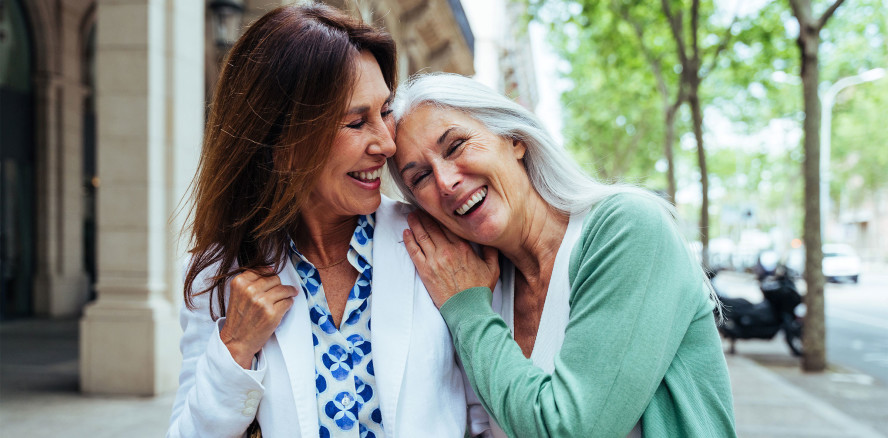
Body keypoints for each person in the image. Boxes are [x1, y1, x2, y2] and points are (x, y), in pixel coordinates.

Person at [167, 6, 486, 438]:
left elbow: (485, 416)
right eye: (356, 122)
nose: (388, 144)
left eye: (385, 111)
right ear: (282, 144)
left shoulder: (436, 244)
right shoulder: (219, 275)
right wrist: (235, 349)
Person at [388, 73, 737, 437]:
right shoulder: (476, 279)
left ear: (514, 139)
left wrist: (468, 312)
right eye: (421, 177)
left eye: (456, 145)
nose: (446, 181)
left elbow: (571, 429)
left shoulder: (627, 227)